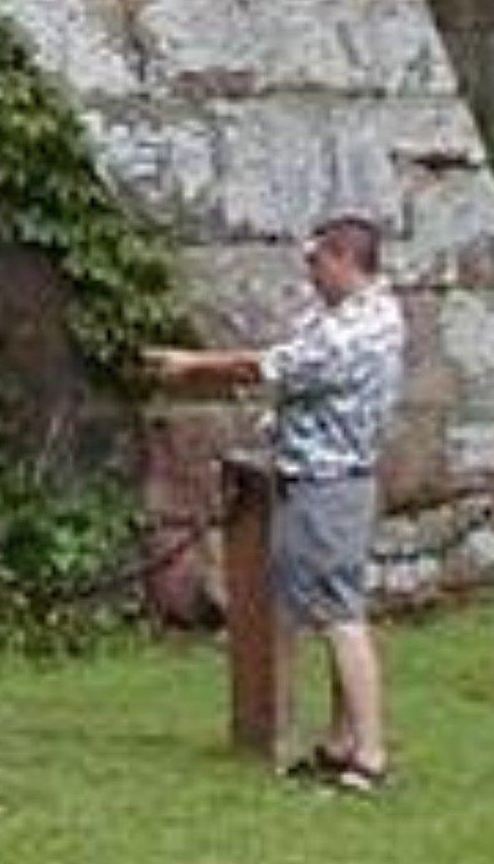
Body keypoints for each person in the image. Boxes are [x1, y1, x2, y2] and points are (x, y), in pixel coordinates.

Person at [139, 212, 407, 793]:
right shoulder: (366, 311)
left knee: (339, 615)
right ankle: (342, 741)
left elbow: (265, 366)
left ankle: (371, 753)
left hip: (329, 482)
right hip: (330, 478)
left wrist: (189, 365)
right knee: (333, 606)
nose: (309, 273)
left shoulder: (352, 331)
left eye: (316, 261)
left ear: (342, 259)